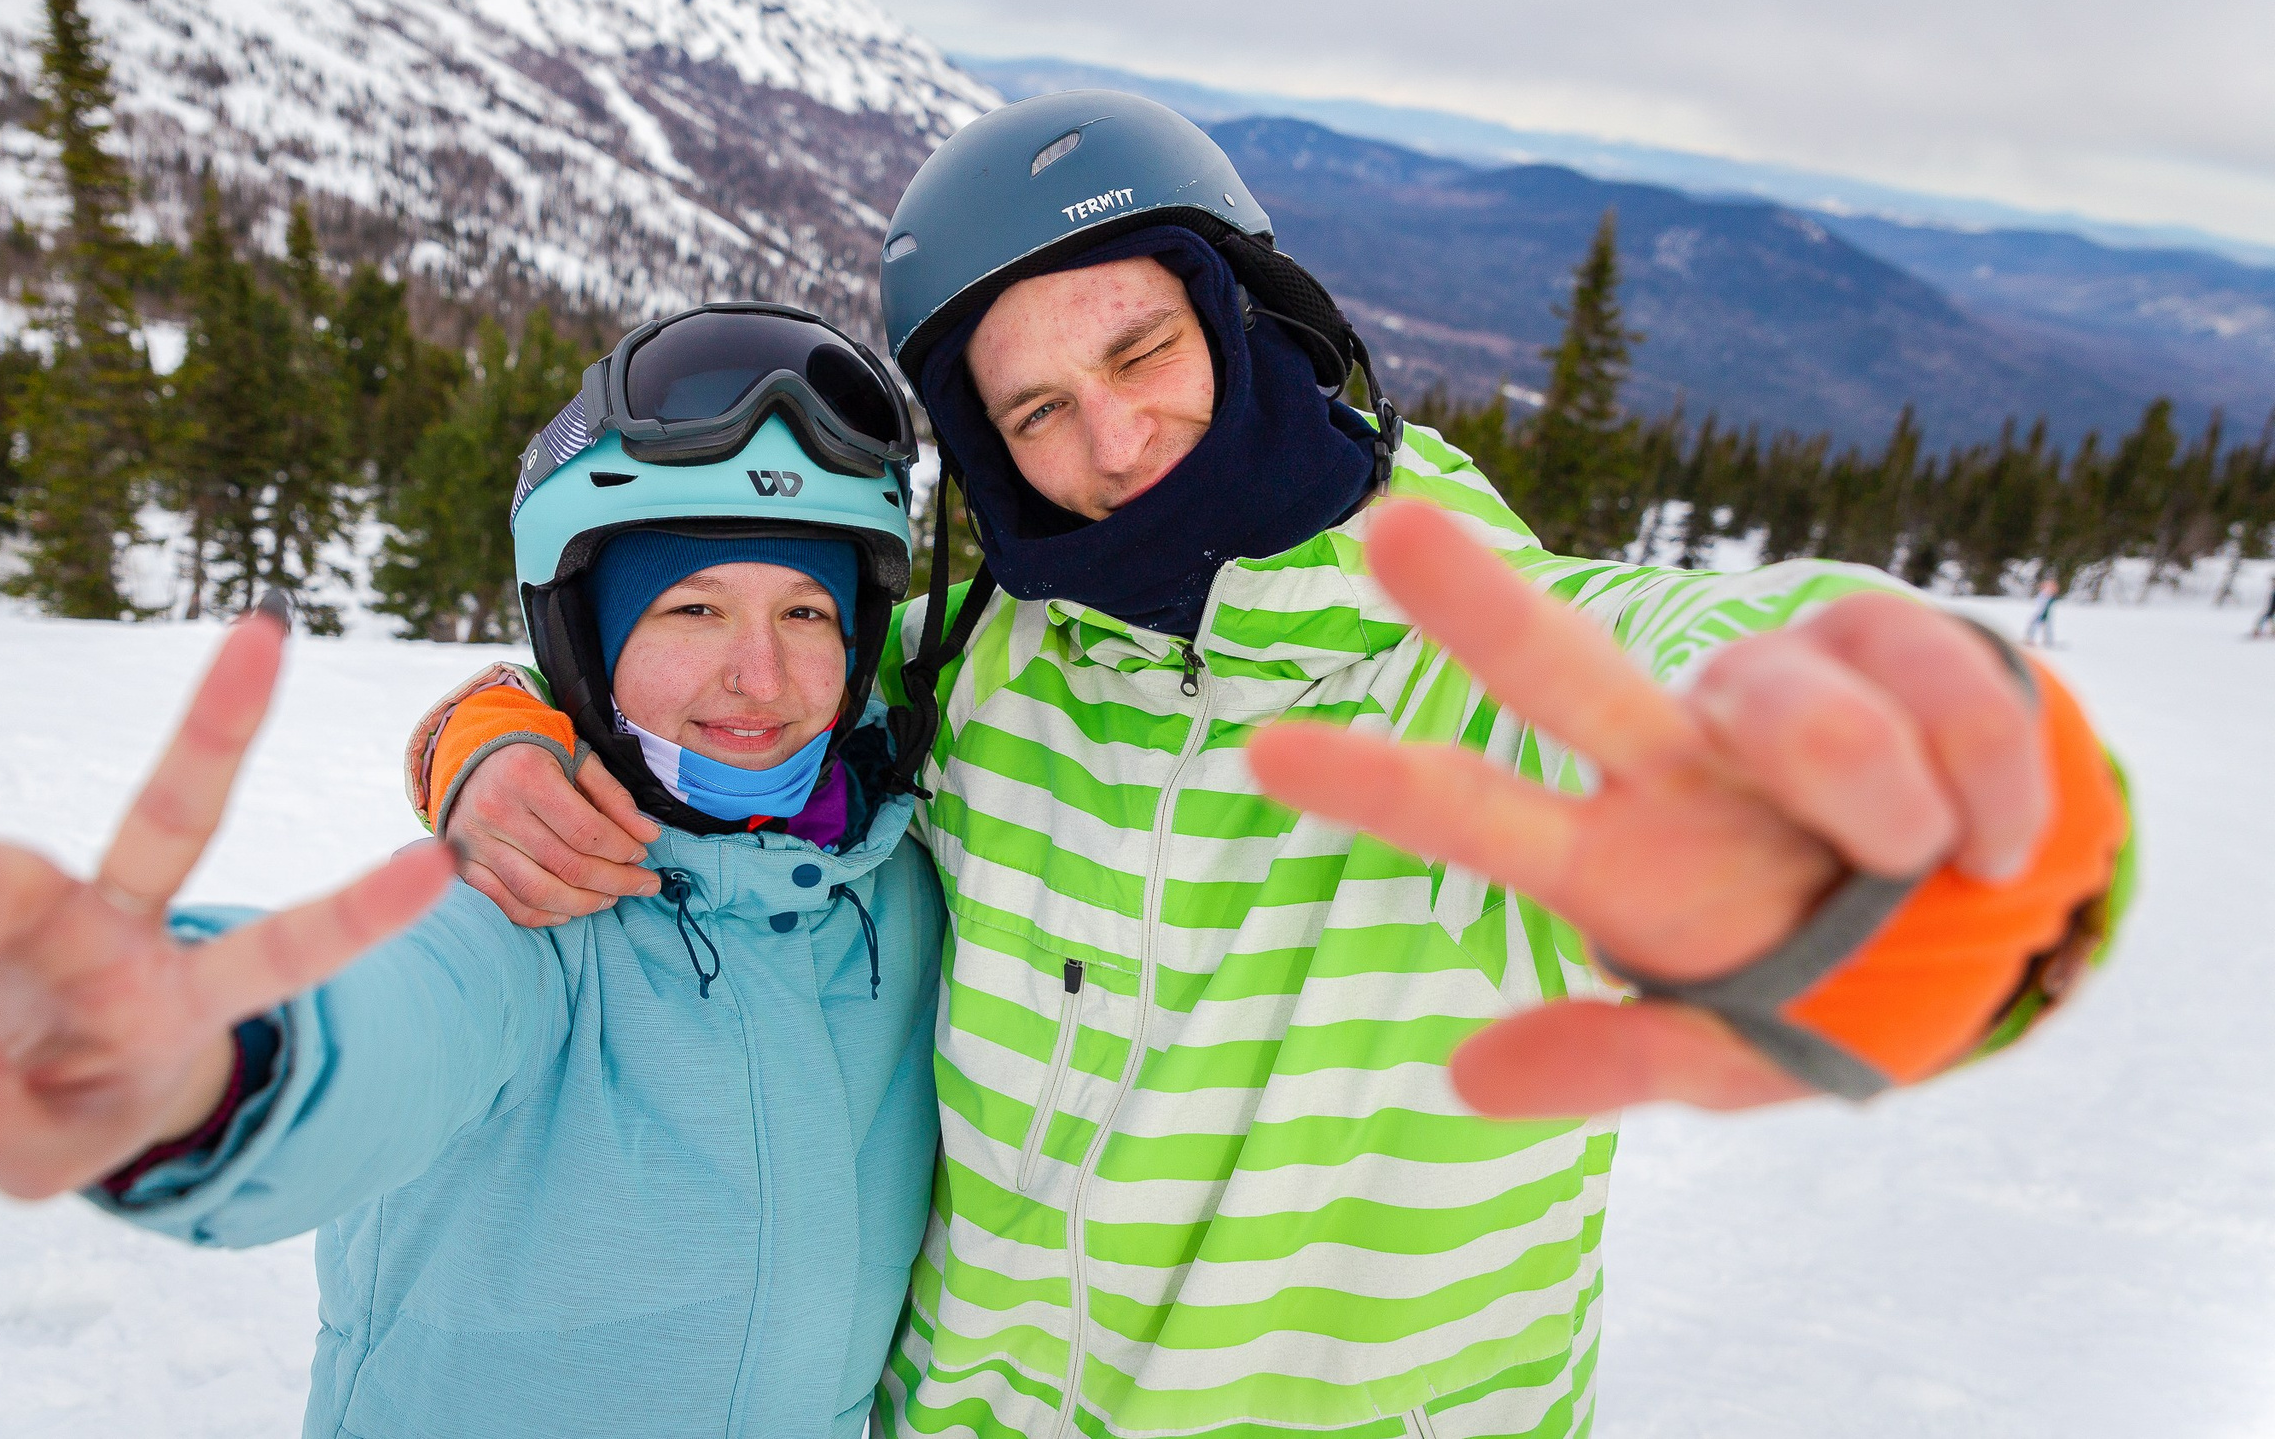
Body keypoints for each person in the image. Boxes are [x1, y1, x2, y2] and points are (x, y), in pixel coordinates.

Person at [413, 93, 2136, 1438]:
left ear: (1247, 318)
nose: (1112, 440)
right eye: (1031, 412)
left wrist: (1880, 776)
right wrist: (484, 737)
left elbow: (1685, 689)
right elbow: (730, 730)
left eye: (1141, 350)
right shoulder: (993, 674)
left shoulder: (1465, 672)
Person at [0, 306, 945, 1439]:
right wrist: (186, 1065)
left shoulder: (903, 885)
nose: (761, 675)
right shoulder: (519, 905)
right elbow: (385, 1023)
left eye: (806, 611)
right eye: (691, 608)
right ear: (586, 648)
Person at [2025, 575, 2062, 647]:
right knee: (2036, 626)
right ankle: (2031, 639)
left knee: (2044, 627)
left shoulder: (2049, 597)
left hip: (2042, 614)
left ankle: (2047, 641)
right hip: (2040, 613)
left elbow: (2043, 606)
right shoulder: (2044, 595)